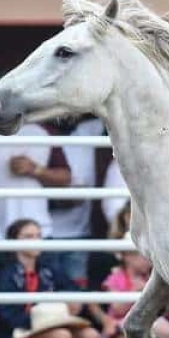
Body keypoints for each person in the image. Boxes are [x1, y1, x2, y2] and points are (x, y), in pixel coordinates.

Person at [0, 122, 68, 274]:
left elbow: (65, 178)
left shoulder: (46, 131)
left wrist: (35, 170)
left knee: (44, 286)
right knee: (2, 288)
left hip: (39, 231)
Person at [40, 116, 103, 286]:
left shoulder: (86, 131)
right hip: (45, 234)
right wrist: (59, 199)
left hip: (79, 234)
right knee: (48, 290)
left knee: (77, 290)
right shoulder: (39, 135)